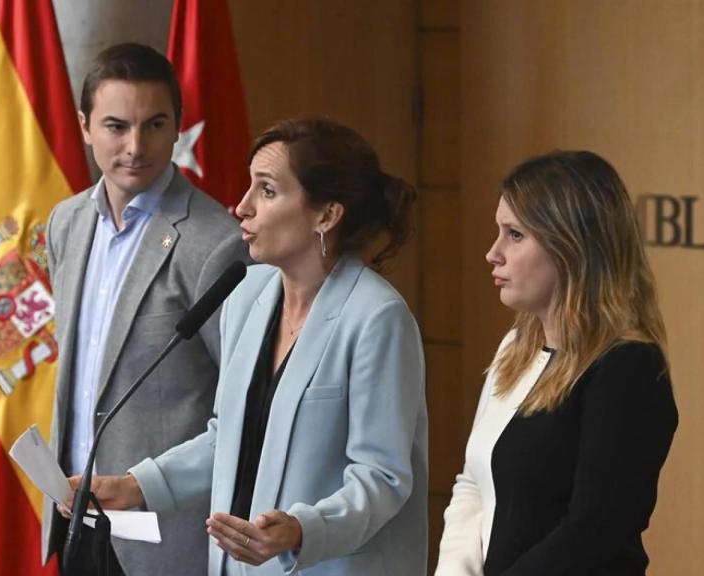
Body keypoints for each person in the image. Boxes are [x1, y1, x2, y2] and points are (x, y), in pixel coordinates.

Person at [66, 118, 429, 575]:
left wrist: (301, 528)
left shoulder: (376, 317)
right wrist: (137, 485)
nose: (241, 207)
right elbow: (229, 438)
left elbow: (383, 478)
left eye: (268, 191)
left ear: (326, 215)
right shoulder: (247, 295)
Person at [41, 43, 248, 575]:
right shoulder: (65, 224)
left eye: (154, 125)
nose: (135, 147)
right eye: (116, 126)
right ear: (84, 126)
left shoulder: (214, 242)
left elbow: (245, 406)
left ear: (178, 126)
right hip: (75, 518)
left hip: (162, 534)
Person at [435, 150, 679, 575]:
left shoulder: (628, 367)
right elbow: (474, 483)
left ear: (572, 245)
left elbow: (594, 529)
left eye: (514, 235)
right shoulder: (516, 347)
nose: (493, 253)